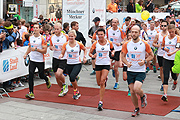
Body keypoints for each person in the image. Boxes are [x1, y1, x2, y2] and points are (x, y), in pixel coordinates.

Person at [121, 25, 154, 117]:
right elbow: (122, 56)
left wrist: (145, 61)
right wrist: (127, 63)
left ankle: (143, 96)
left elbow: (151, 55)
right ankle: (136, 108)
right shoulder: (126, 44)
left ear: (139, 33)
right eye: (132, 32)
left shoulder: (144, 43)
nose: (134, 34)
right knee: (132, 91)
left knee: (136, 89)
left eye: (136, 32)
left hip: (140, 70)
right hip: (130, 70)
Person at [89, 28, 115, 111]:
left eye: (101, 34)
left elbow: (112, 49)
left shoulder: (109, 43)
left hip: (106, 64)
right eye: (99, 35)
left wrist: (113, 53)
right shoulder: (95, 44)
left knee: (102, 81)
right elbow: (90, 53)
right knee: (98, 83)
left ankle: (100, 101)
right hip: (98, 64)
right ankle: (104, 79)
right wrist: (93, 56)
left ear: (104, 35)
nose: (100, 36)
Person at [23, 24, 51, 99]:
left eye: (37, 28)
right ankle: (31, 92)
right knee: (31, 75)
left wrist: (36, 49)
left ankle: (46, 79)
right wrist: (26, 54)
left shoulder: (42, 38)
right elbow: (30, 47)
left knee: (41, 75)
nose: (35, 29)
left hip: (40, 60)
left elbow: (44, 51)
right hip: (32, 59)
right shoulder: (31, 37)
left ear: (39, 29)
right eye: (34, 28)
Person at [59, 30, 87, 100]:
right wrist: (61, 55)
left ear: (75, 36)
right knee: (71, 79)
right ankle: (77, 90)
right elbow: (62, 52)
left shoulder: (78, 44)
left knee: (72, 77)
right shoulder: (65, 44)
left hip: (77, 63)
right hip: (69, 64)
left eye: (72, 36)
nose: (70, 38)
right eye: (69, 36)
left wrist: (84, 57)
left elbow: (85, 49)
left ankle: (75, 90)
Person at [161, 24, 180, 102]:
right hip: (166, 58)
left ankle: (175, 81)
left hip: (174, 58)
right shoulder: (165, 38)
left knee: (173, 74)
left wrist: (172, 53)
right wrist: (164, 48)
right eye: (170, 32)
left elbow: (178, 48)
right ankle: (165, 94)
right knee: (166, 76)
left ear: (175, 30)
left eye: (172, 32)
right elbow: (162, 46)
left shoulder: (177, 38)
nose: (171, 33)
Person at [49, 23, 68, 97]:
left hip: (63, 57)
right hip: (55, 57)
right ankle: (62, 89)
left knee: (59, 73)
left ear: (61, 29)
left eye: (57, 29)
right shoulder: (52, 37)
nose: (56, 30)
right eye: (55, 29)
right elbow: (50, 45)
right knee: (56, 76)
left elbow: (70, 44)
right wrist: (51, 48)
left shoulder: (65, 36)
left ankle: (64, 84)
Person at [106, 18, 125, 89]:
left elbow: (125, 39)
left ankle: (117, 82)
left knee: (116, 68)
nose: (113, 24)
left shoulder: (120, 31)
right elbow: (107, 38)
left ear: (118, 23)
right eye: (112, 22)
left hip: (118, 50)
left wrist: (120, 43)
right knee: (109, 65)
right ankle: (112, 70)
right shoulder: (108, 30)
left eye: (115, 22)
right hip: (110, 49)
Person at [153, 20, 169, 91]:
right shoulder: (158, 34)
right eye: (162, 25)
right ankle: (163, 83)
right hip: (160, 54)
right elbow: (153, 43)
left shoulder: (170, 34)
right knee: (162, 69)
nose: (163, 27)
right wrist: (157, 45)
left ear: (167, 26)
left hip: (169, 55)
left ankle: (168, 80)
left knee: (169, 70)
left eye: (165, 25)